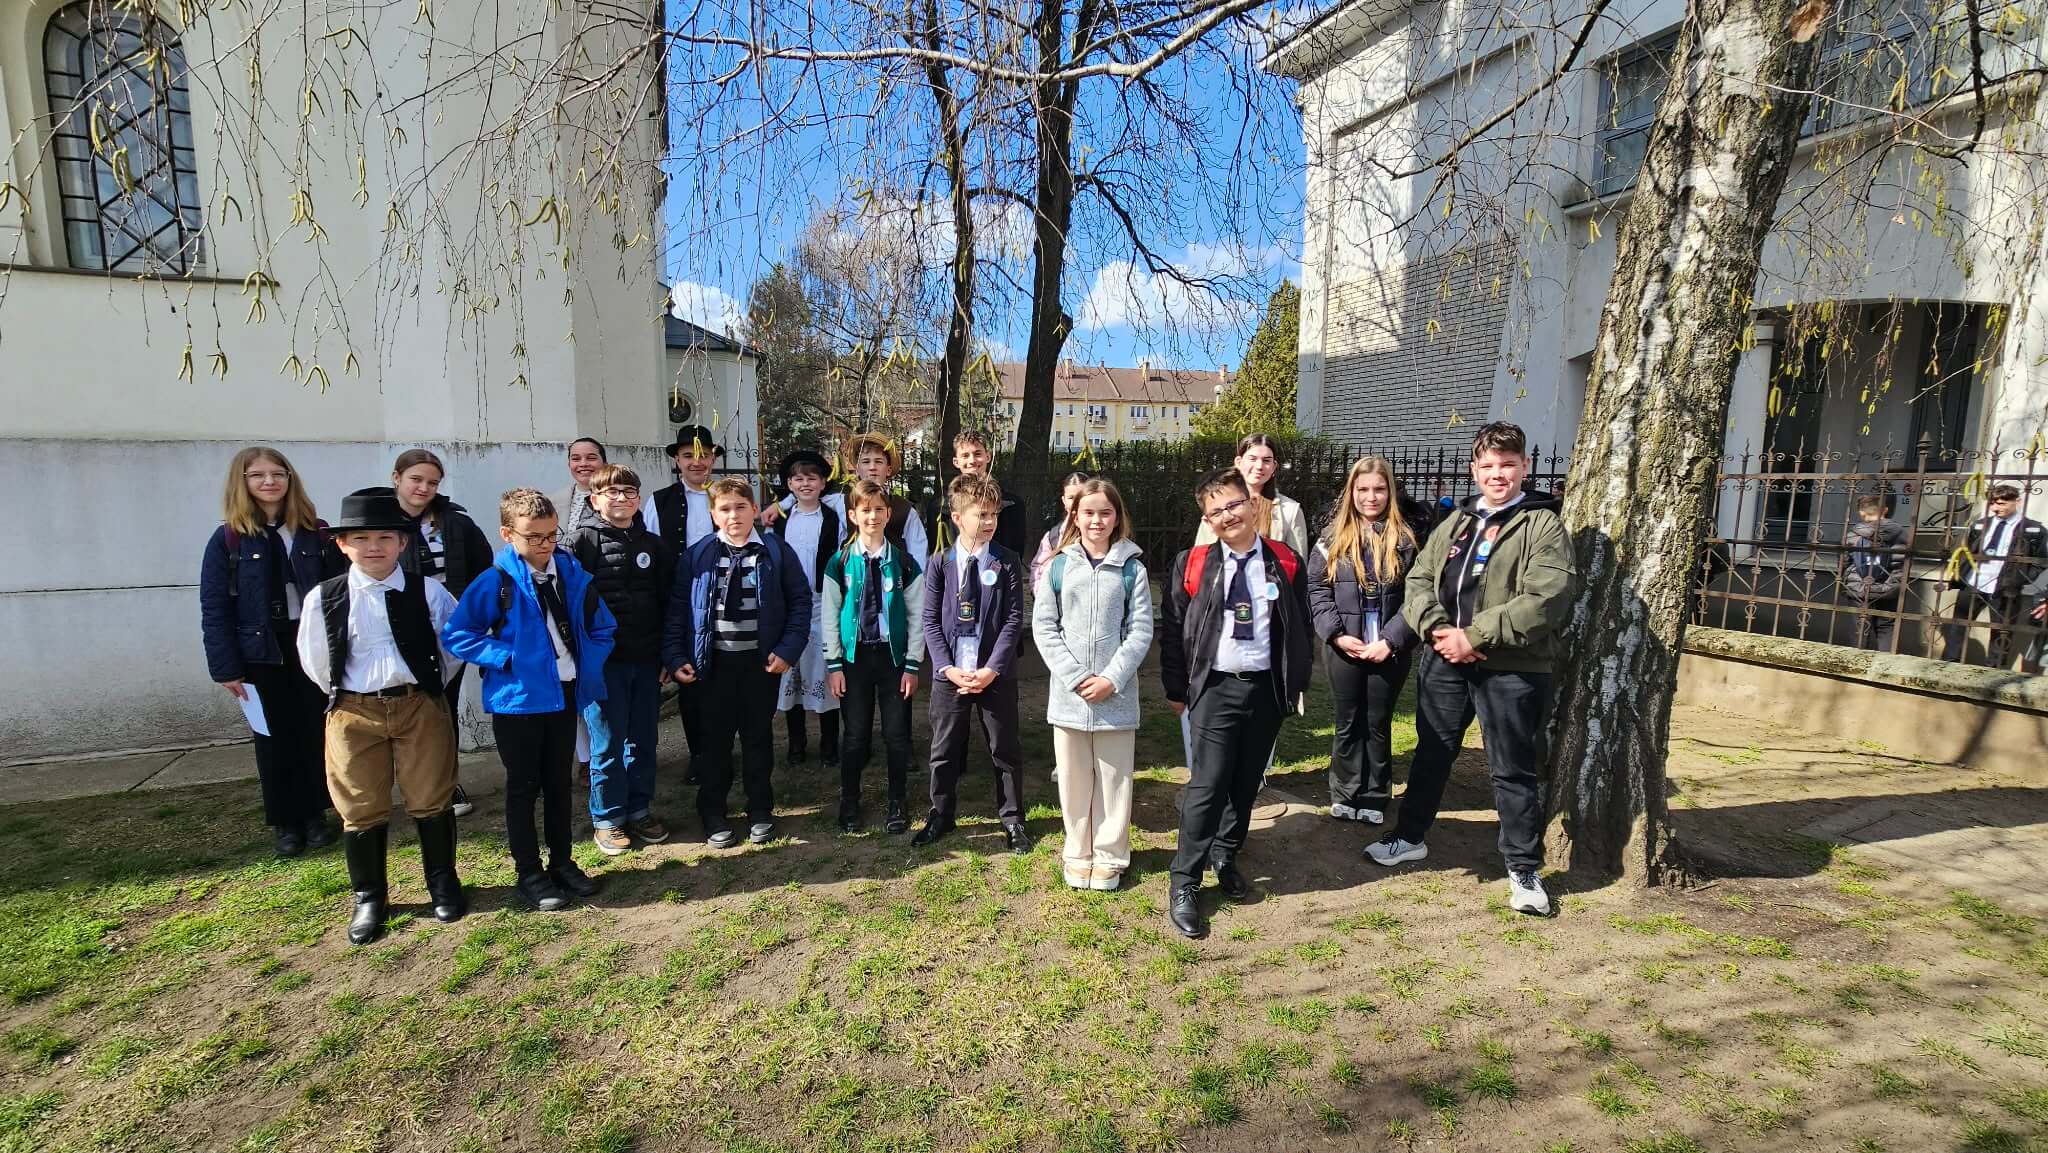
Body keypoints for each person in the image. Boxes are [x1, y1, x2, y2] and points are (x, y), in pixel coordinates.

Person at [1366, 422, 1578, 918]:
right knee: (1432, 752)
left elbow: (1547, 598)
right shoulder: (1458, 520)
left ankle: (1523, 868)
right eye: (1488, 466)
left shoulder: (1542, 524)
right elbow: (1419, 579)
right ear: (1474, 469)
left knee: (1512, 767)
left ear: (1524, 467)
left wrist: (1474, 637)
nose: (1497, 474)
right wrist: (1441, 631)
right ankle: (1410, 836)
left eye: (1508, 465)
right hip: (1444, 660)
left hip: (1512, 667)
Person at [296, 489, 466, 945]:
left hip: (417, 705)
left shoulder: (427, 591)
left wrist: (426, 688)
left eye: (385, 538)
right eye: (362, 538)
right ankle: (369, 895)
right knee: (360, 803)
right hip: (354, 710)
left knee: (431, 795)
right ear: (342, 544)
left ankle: (442, 882)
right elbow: (314, 658)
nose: (374, 547)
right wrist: (350, 695)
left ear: (402, 543)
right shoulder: (325, 597)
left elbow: (451, 648)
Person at [443, 489, 617, 911]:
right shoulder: (495, 582)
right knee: (523, 788)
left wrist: (587, 663)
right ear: (508, 534)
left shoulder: (571, 573)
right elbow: (458, 634)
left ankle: (563, 862)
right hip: (518, 702)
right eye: (534, 537)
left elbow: (602, 625)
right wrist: (506, 658)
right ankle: (529, 872)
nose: (545, 544)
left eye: (551, 535)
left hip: (565, 694)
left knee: (559, 784)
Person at [1159, 468, 1313, 939]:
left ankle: (1225, 853)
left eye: (1233, 504)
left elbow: (1301, 624)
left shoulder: (1284, 560)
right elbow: (1174, 631)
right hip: (1215, 689)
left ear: (1252, 503)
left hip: (1265, 689)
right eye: (1216, 511)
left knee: (1246, 783)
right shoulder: (1193, 563)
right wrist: (1177, 689)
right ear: (1207, 520)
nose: (1228, 516)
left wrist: (1294, 682)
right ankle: (1185, 881)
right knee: (1208, 785)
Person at [199, 447, 336, 857]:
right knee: (272, 737)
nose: (269, 482)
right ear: (242, 483)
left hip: (307, 642)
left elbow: (338, 592)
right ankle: (286, 821)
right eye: (258, 475)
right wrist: (226, 667)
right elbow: (215, 606)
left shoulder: (314, 532)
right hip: (261, 650)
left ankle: (316, 815)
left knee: (314, 730)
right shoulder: (228, 539)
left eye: (278, 473)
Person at [664, 478, 813, 847]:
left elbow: (800, 603)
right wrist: (676, 656)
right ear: (714, 515)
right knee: (713, 743)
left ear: (754, 510)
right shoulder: (698, 555)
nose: (734, 516)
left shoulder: (776, 552)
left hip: (759, 666)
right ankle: (713, 811)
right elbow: (678, 610)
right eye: (725, 509)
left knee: (757, 739)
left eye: (741, 507)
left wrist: (788, 650)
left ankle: (759, 808)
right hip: (712, 666)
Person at [1032, 478, 1154, 891]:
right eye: (1088, 512)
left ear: (1117, 517)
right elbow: (1045, 627)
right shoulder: (1058, 566)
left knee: (1114, 781)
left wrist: (1111, 679)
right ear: (1075, 516)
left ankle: (1110, 856)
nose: (1096, 520)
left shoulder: (1133, 569)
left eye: (1105, 512)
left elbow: (1140, 631)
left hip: (1115, 697)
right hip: (1070, 697)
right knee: (1073, 779)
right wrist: (1076, 676)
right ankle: (1077, 853)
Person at [913, 474, 1029, 852]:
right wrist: (946, 668)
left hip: (993, 674)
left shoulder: (1007, 561)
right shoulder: (940, 563)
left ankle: (1012, 819)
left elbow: (1013, 620)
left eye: (994, 514)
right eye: (982, 514)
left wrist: (992, 669)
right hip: (952, 673)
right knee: (944, 749)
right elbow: (930, 621)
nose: (990, 521)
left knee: (1004, 748)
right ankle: (941, 814)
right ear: (957, 517)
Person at [567, 465, 677, 855]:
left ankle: (639, 809)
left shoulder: (654, 545)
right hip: (603, 665)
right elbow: (570, 606)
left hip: (646, 660)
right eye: (611, 492)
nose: (621, 498)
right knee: (607, 743)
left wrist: (667, 654)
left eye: (629, 491)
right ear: (594, 499)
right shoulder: (579, 543)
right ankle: (607, 818)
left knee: (643, 740)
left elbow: (668, 602)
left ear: (638, 498)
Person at [1309, 456, 1420, 826]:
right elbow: (1317, 589)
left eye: (1379, 489)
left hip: (1388, 649)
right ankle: (1345, 792)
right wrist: (1336, 634)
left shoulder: (1406, 540)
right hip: (1344, 647)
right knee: (1347, 720)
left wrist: (1391, 640)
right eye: (1363, 489)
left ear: (1390, 492)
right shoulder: (1331, 538)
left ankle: (1374, 794)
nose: (1371, 497)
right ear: (1351, 492)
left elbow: (1417, 598)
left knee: (1377, 722)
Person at [386, 448, 495, 816]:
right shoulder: (380, 522)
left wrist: (476, 619)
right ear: (397, 478)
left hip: (451, 632)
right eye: (416, 479)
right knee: (409, 710)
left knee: (443, 707)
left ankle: (447, 784)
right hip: (401, 632)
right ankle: (415, 784)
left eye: (432, 482)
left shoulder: (456, 523)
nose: (424, 488)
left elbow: (483, 572)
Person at [821, 479, 927, 834]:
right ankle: (850, 800)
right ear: (853, 515)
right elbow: (830, 615)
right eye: (865, 510)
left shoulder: (904, 563)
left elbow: (916, 616)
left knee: (896, 735)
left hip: (892, 659)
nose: (872, 516)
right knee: (855, 735)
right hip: (854, 661)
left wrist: (912, 665)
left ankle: (897, 800)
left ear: (888, 513)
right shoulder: (839, 563)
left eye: (879, 509)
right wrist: (834, 664)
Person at [646, 426, 723, 784]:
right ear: (677, 460)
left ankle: (722, 751)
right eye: (689, 455)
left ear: (713, 458)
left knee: (723, 680)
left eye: (703, 455)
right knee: (691, 682)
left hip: (723, 599)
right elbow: (649, 549)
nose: (697, 462)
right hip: (680, 601)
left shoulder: (725, 495)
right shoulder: (659, 501)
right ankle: (699, 755)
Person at [769, 449, 842, 765]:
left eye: (812, 478)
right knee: (792, 672)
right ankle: (796, 744)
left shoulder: (833, 517)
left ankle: (829, 745)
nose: (805, 484)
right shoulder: (781, 520)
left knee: (823, 672)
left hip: (821, 603)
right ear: (789, 484)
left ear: (823, 483)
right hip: (788, 606)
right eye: (798, 479)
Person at [762, 432, 930, 568]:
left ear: (888, 469)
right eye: (866, 462)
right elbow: (809, 495)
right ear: (857, 469)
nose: (872, 467)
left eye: (878, 462)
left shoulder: (904, 509)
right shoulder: (842, 502)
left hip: (892, 584)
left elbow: (919, 553)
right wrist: (780, 506)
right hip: (854, 583)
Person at [1942, 483, 2047, 672]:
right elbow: (1969, 550)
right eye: (1992, 503)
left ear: (2017, 502)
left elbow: (2041, 560)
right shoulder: (1981, 524)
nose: (1995, 508)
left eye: (2001, 503)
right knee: (1958, 625)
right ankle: (1949, 664)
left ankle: (1992, 671)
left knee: (2001, 631)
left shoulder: (2034, 530)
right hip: (1974, 582)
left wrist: (2022, 578)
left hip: (2006, 587)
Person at [1194, 433, 1309, 554]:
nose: (1259, 466)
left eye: (1266, 460)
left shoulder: (1290, 511)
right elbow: (1200, 556)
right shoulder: (1217, 504)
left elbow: (1297, 561)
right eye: (1252, 459)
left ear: (1274, 467)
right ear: (1239, 462)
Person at [930, 430, 1030, 557]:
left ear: (988, 457)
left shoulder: (1013, 505)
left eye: (977, 454)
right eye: (965, 455)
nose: (972, 460)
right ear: (956, 462)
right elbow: (939, 554)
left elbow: (1015, 553)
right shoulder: (939, 508)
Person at [1841, 494, 1907, 654]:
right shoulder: (1900, 533)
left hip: (1859, 588)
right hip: (1889, 587)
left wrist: (1845, 583)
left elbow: (1844, 562)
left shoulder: (1853, 534)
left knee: (1859, 627)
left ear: (1862, 513)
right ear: (1885, 510)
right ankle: (1885, 663)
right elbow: (1903, 561)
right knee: (1886, 627)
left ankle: (1857, 660)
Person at [1029, 471, 1091, 592]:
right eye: (1071, 498)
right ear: (1063, 500)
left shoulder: (1102, 531)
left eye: (1081, 496)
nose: (1076, 502)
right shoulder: (1053, 536)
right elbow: (1038, 571)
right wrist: (1045, 597)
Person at [556, 437, 611, 535]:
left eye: (591, 458)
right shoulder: (554, 502)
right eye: (576, 459)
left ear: (605, 464)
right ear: (569, 464)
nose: (583, 464)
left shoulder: (620, 499)